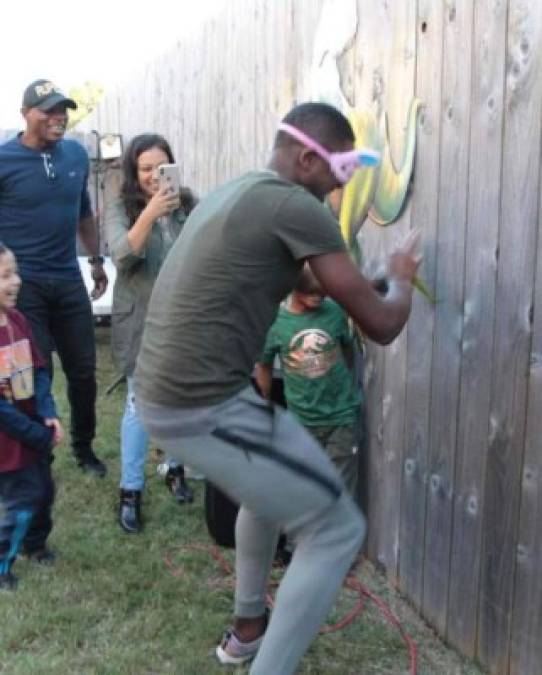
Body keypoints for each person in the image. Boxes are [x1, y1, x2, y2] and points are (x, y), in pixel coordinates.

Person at [134, 102, 421, 674]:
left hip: (166, 394)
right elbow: (383, 325)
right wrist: (403, 282)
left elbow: (310, 277)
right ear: (309, 158)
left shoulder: (242, 190)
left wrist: (369, 280)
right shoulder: (297, 206)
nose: (345, 185)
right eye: (342, 170)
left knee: (268, 492)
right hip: (204, 403)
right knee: (338, 529)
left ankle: (247, 630)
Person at [0, 79, 108, 476]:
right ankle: (35, 450)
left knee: (83, 371)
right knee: (29, 375)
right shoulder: (3, 160)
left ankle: (84, 448)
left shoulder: (76, 156)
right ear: (26, 113)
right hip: (23, 287)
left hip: (67, 279)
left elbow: (83, 213)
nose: (58, 117)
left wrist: (95, 260)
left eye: (63, 109)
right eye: (48, 110)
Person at [106, 133, 196, 534]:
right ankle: (130, 492)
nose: (154, 177)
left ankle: (174, 468)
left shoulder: (187, 204)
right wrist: (150, 213)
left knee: (179, 399)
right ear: (133, 171)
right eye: (146, 169)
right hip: (140, 322)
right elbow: (123, 257)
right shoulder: (120, 208)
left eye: (162, 168)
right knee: (139, 408)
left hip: (181, 321)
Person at [256, 265, 361, 498]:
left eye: (323, 294)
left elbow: (348, 350)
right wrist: (264, 400)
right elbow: (263, 365)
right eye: (311, 293)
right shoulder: (276, 323)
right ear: (294, 288)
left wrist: (344, 387)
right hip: (302, 421)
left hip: (341, 418)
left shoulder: (334, 312)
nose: (318, 298)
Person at [0, 243, 64, 590]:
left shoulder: (18, 320)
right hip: (9, 443)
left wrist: (48, 413)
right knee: (22, 501)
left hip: (33, 432)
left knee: (44, 492)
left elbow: (39, 371)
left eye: (15, 272)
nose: (17, 281)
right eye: (6, 275)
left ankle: (35, 545)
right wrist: (34, 433)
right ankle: (2, 562)